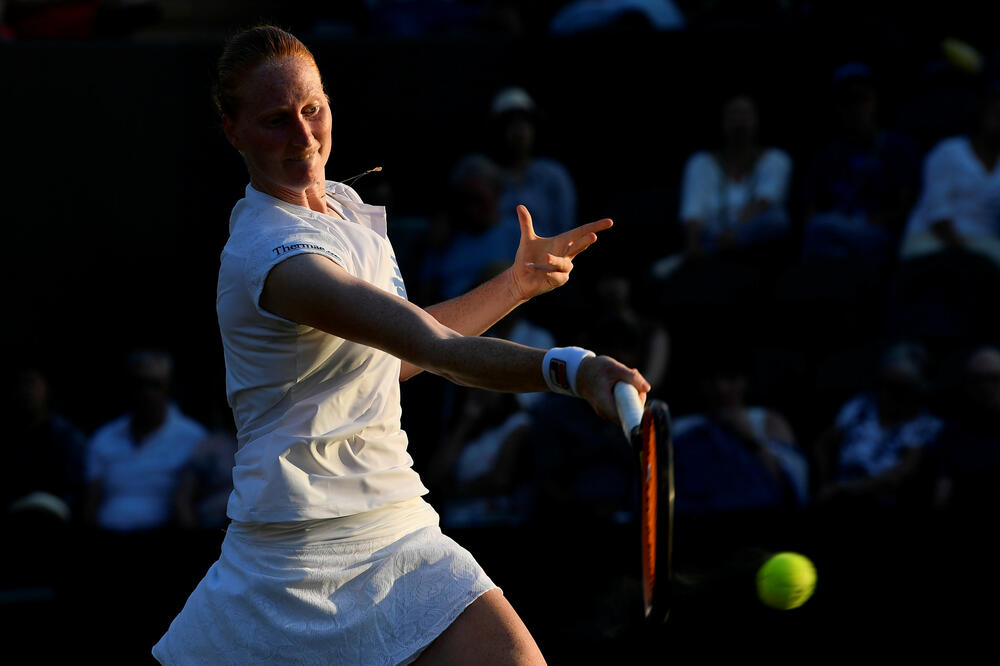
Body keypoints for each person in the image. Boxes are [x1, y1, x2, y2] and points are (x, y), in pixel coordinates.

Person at [152, 25, 648, 665]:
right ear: (232, 131)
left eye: (313, 110)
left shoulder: (344, 207)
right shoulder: (271, 257)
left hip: (397, 525)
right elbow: (433, 345)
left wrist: (517, 285)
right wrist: (574, 370)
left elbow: (398, 358)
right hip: (289, 559)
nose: (304, 137)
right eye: (276, 120)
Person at [85, 349, 207, 533]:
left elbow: (189, 504)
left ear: (168, 387)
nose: (146, 393)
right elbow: (91, 502)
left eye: (154, 385)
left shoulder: (194, 438)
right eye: (138, 384)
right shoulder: (104, 438)